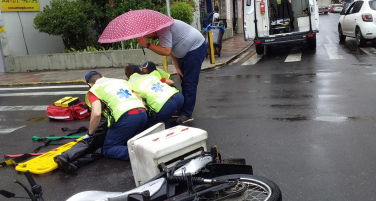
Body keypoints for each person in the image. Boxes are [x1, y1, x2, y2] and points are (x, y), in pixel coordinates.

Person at [137, 19, 207, 125]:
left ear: (151, 28)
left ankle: (187, 113)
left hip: (195, 49)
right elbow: (171, 50)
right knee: (184, 80)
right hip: (185, 52)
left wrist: (147, 44)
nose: (147, 37)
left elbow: (166, 51)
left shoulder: (163, 29)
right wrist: (177, 67)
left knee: (189, 82)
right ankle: (184, 108)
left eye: (147, 34)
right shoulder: (161, 30)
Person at [84, 70, 147, 160]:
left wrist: (90, 134)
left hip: (127, 117)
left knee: (109, 148)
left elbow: (96, 113)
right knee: (129, 139)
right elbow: (141, 100)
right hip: (142, 113)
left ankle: (142, 156)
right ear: (102, 76)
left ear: (90, 84)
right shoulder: (121, 81)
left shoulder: (94, 90)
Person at [125, 62, 184, 129]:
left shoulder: (129, 84)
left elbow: (139, 101)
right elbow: (169, 81)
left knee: (150, 123)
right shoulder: (149, 75)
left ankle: (168, 126)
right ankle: (174, 121)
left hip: (164, 107)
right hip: (178, 97)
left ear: (127, 75)